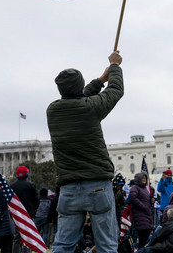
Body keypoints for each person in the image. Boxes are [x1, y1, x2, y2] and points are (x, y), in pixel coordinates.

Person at [45, 49, 124, 253]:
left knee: (63, 246)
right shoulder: (91, 107)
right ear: (79, 86)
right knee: (107, 246)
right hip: (98, 185)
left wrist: (99, 80)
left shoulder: (52, 111)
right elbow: (115, 90)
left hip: (69, 188)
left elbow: (78, 98)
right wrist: (114, 66)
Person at [10, 165, 38, 253]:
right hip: (28, 214)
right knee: (27, 236)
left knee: (17, 236)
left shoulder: (12, 186)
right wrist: (34, 209)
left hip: (16, 214)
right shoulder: (30, 185)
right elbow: (36, 201)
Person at [128, 172, 154, 248]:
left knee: (147, 232)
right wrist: (143, 206)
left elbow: (146, 201)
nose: (144, 179)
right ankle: (139, 249)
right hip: (140, 215)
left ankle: (140, 249)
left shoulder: (145, 189)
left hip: (146, 214)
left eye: (145, 178)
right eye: (142, 178)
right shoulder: (134, 188)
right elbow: (133, 198)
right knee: (143, 234)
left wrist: (151, 202)